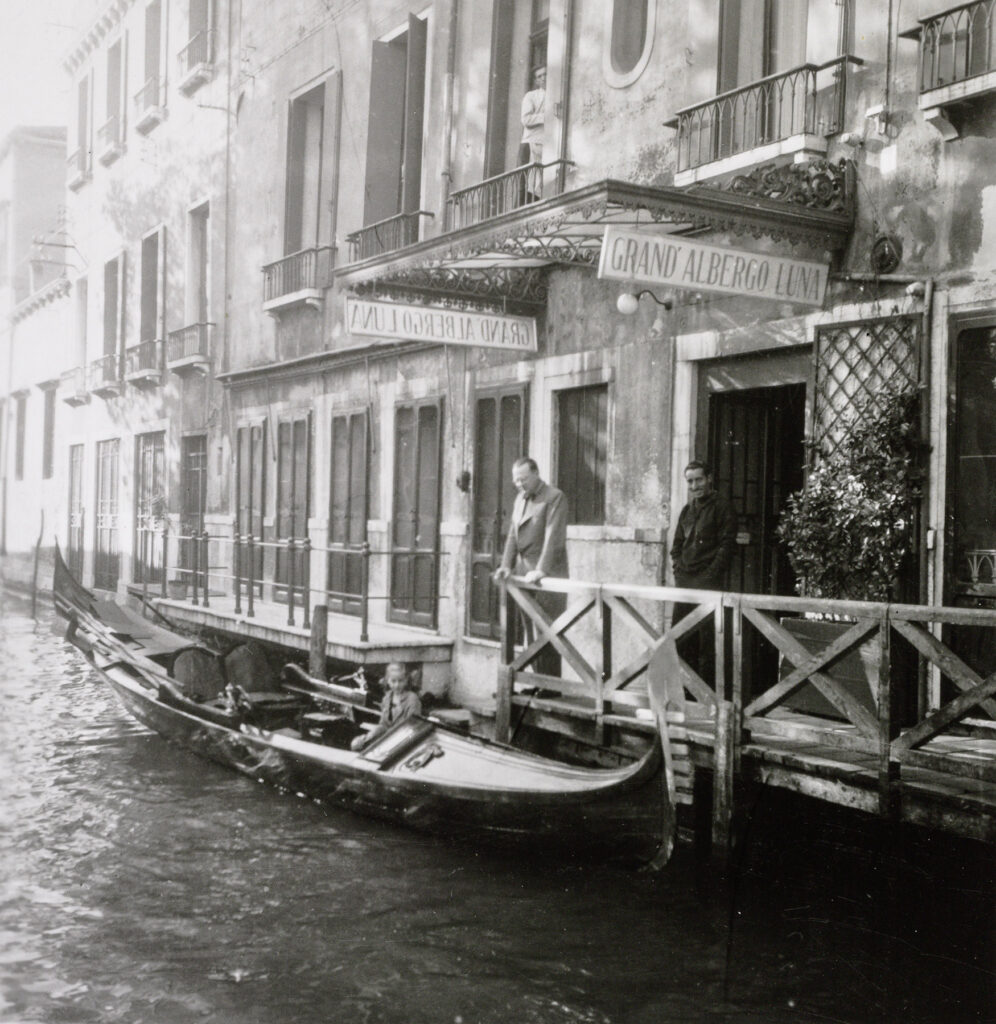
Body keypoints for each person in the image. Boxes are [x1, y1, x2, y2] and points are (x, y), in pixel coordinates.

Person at [494, 457, 569, 677]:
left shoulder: (555, 497)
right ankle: (537, 683)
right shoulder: (520, 499)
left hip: (548, 575)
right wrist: (506, 565)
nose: (519, 484)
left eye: (523, 479)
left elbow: (553, 536)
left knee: (548, 632)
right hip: (523, 573)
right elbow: (512, 535)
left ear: (536, 473)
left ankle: (550, 688)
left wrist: (542, 570)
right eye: (516, 480)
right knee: (530, 631)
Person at [669, 460, 737, 683]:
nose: (694, 486)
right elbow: (676, 547)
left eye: (698, 479)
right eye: (690, 481)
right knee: (680, 639)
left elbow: (727, 546)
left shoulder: (722, 507)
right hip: (685, 585)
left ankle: (706, 695)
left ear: (709, 479)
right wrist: (679, 571)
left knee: (709, 644)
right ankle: (684, 692)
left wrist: (709, 576)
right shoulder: (687, 510)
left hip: (708, 584)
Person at [350, 662, 421, 750]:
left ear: (406, 681)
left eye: (400, 681)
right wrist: (369, 736)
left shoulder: (412, 699)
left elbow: (412, 727)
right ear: (388, 681)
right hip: (387, 738)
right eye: (393, 681)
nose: (397, 685)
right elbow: (383, 724)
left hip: (403, 739)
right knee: (358, 745)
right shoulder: (387, 698)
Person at [518, 66, 546, 201]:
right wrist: (546, 117)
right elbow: (525, 119)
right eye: (540, 76)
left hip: (546, 147)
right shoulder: (531, 96)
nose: (544, 78)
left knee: (541, 187)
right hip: (531, 145)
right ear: (536, 80)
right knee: (528, 189)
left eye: (545, 74)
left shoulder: (556, 95)